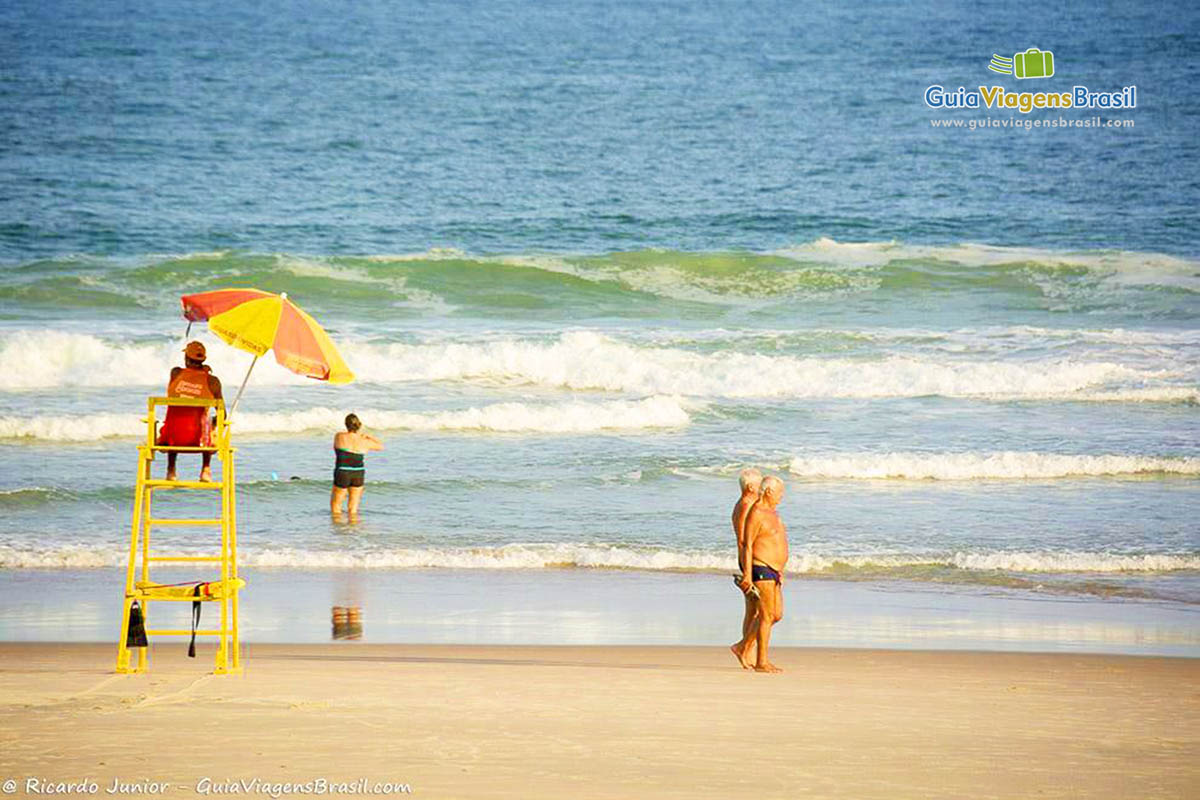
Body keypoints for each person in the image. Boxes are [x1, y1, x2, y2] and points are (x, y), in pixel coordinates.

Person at [736, 476, 788, 673]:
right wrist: (747, 575)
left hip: (774, 570)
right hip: (761, 567)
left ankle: (743, 646)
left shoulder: (773, 513)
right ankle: (761, 661)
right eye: (779, 493)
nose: (781, 497)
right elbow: (747, 544)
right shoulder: (756, 512)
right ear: (768, 492)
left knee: (776, 614)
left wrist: (781, 569)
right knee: (766, 615)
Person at [157, 341, 222, 482]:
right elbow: (222, 413)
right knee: (208, 422)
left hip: (172, 437)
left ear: (186, 358)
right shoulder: (213, 381)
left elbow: (187, 375)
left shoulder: (175, 373)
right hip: (200, 439)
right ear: (204, 359)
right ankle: (206, 470)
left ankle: (171, 470)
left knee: (176, 418)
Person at [729, 468, 763, 670]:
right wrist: (748, 570)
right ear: (750, 487)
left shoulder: (747, 504)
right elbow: (744, 539)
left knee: (752, 609)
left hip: (748, 560)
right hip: (749, 561)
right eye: (759, 485)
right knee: (759, 609)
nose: (761, 489)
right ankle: (744, 648)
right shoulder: (745, 505)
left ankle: (746, 651)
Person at [331, 413, 383, 519]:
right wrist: (369, 437)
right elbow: (380, 446)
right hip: (358, 472)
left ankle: (337, 530)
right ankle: (353, 530)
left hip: (343, 471)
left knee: (336, 504)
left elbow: (335, 447)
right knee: (353, 507)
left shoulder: (339, 436)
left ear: (346, 424)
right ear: (359, 425)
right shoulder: (364, 441)